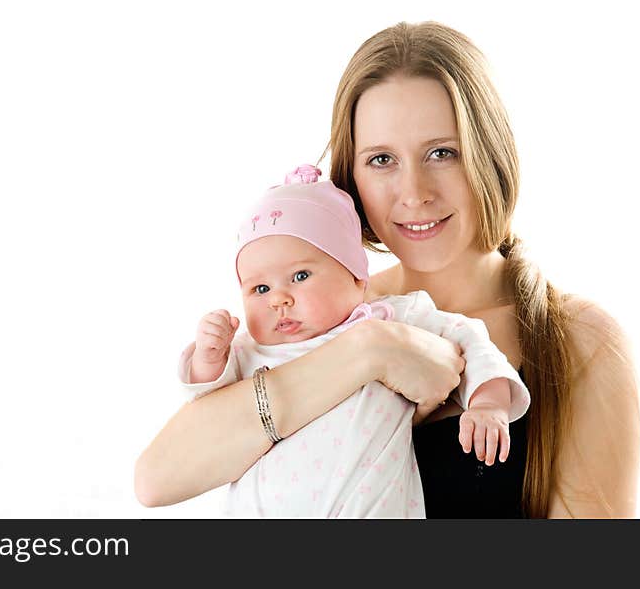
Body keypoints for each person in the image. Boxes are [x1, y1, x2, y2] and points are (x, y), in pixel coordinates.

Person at [135, 21, 640, 518]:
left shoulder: (579, 340)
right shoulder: (320, 319)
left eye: (442, 153)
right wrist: (369, 351)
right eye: (381, 160)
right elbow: (156, 481)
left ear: (490, 155)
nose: (415, 192)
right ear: (349, 177)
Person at [178, 165, 529, 517]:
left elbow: (468, 338)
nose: (278, 300)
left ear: (357, 277)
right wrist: (208, 358)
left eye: (300, 276)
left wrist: (488, 402)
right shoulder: (247, 350)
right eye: (260, 288)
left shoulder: (389, 320)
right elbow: (208, 413)